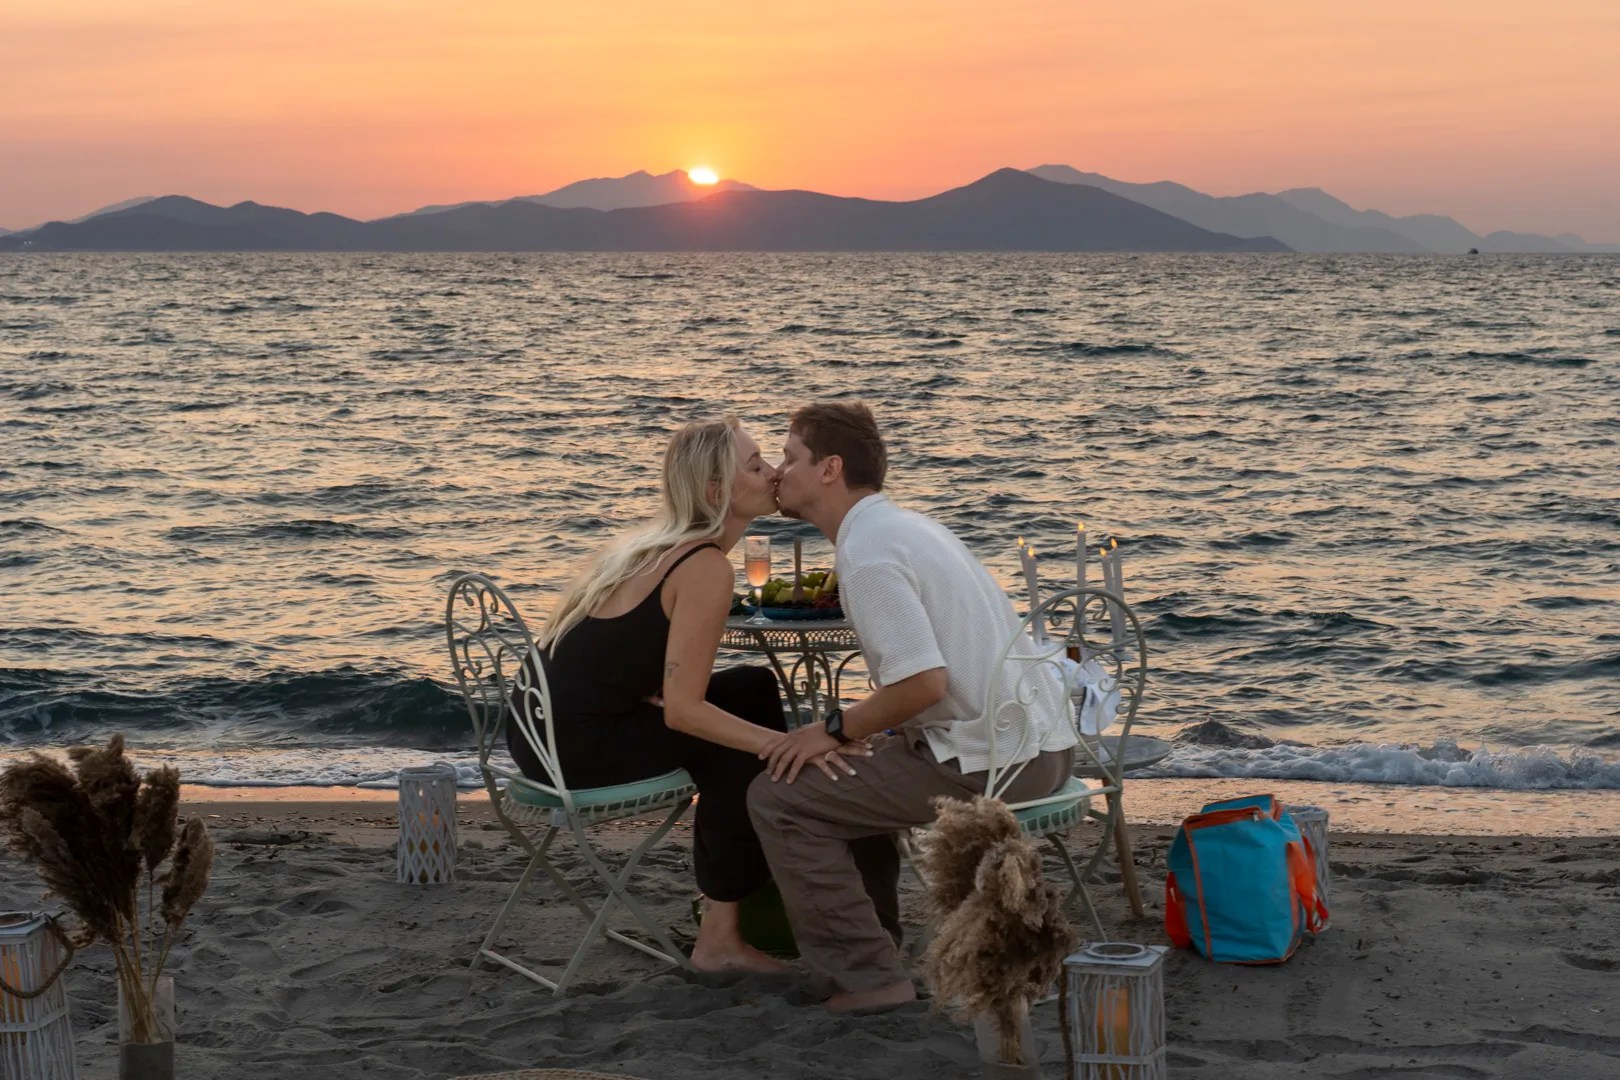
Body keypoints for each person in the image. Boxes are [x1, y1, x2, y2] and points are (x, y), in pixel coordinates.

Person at [748, 401, 1078, 1012]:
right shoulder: (908, 526)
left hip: (994, 760)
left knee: (779, 799)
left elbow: (924, 683)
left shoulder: (869, 553)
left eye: (790, 457)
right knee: (839, 775)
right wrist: (853, 739)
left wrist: (833, 728)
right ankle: (874, 950)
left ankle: (867, 981)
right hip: (1042, 743)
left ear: (830, 469)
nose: (778, 471)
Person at [510, 417, 865, 975]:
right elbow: (684, 711)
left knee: (753, 685)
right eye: (755, 465)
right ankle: (720, 940)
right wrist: (793, 744)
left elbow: (615, 654)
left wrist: (654, 695)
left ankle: (748, 884)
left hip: (535, 731)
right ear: (716, 491)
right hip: (573, 751)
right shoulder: (703, 567)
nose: (772, 472)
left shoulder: (657, 546)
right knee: (730, 747)